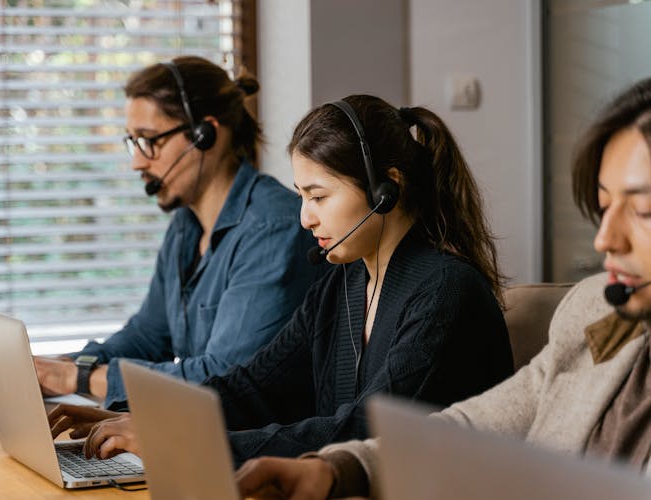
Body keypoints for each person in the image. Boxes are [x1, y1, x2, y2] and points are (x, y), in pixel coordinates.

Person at [235, 78, 651, 500]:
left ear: (386, 191)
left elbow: (371, 421)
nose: (605, 239)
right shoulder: (594, 313)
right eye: (602, 206)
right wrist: (337, 467)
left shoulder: (445, 291)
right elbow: (472, 426)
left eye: (642, 210)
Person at [47, 95, 514, 465]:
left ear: (385, 190)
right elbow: (253, 387)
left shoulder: (446, 291)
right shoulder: (345, 283)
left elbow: (366, 430)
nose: (305, 218)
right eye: (300, 196)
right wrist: (138, 416)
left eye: (318, 196)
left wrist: (179, 436)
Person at [32, 56, 325, 409]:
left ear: (206, 135)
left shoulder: (272, 230)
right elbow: (147, 336)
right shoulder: (185, 228)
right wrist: (65, 366)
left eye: (149, 140)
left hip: (256, 453)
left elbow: (223, 377)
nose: (137, 162)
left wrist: (79, 380)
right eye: (133, 142)